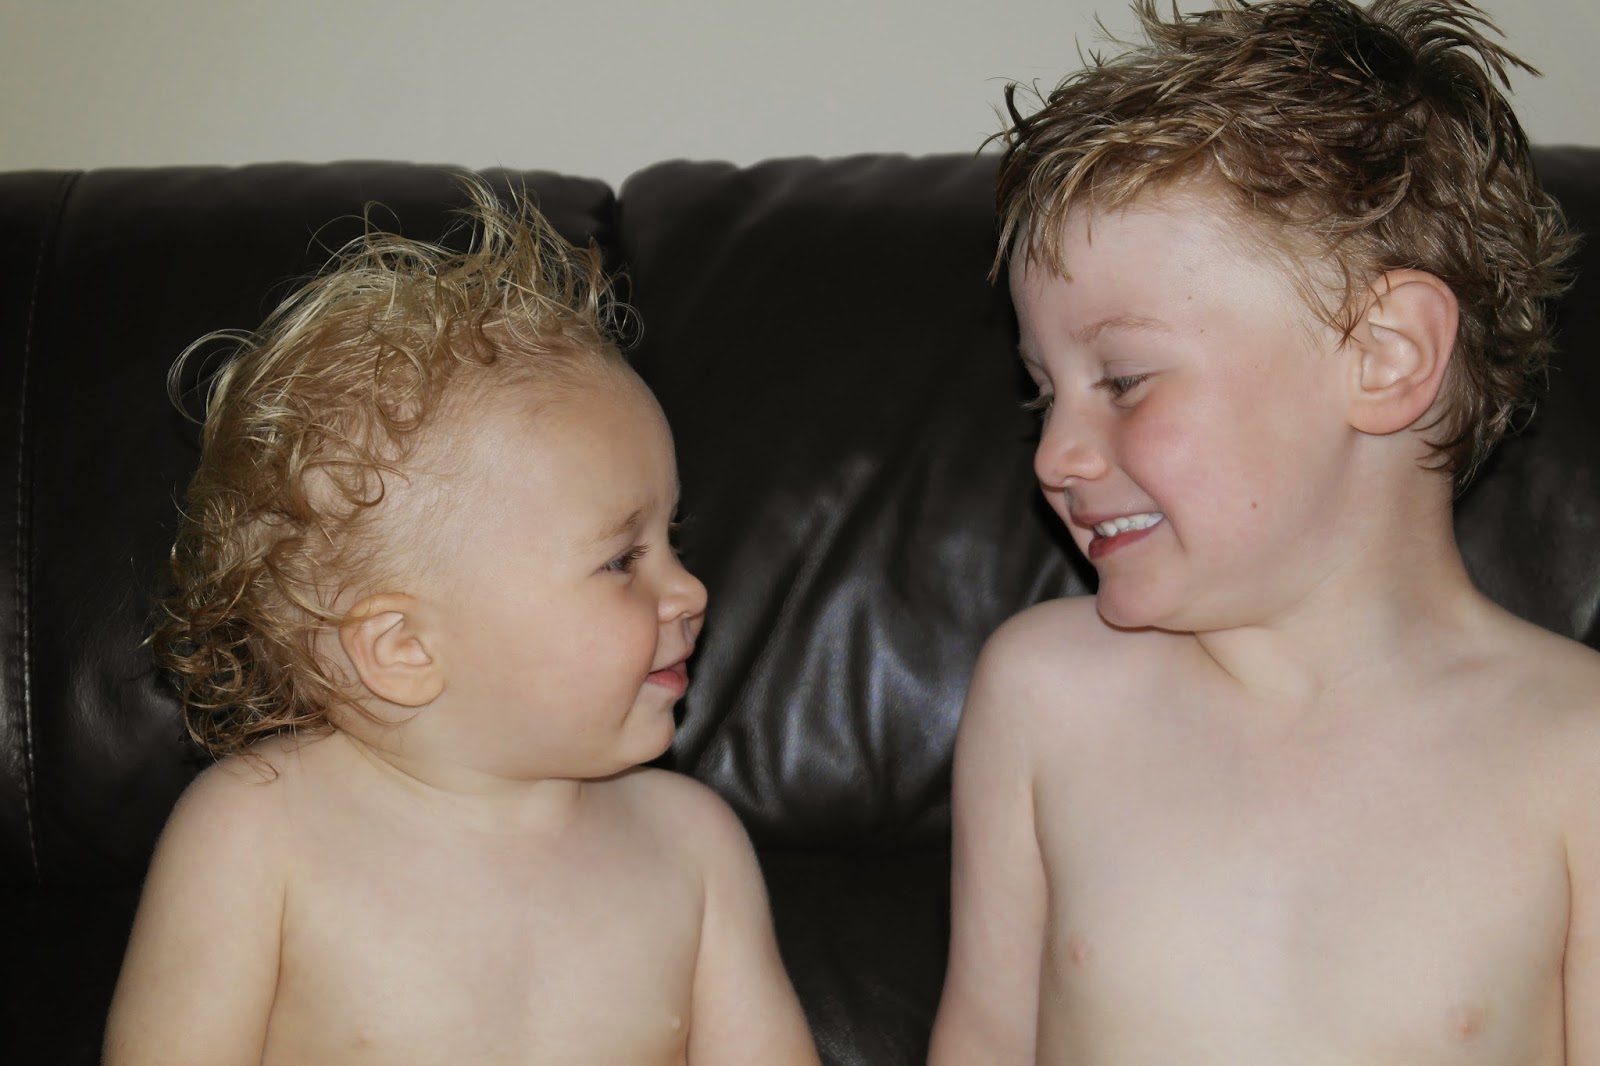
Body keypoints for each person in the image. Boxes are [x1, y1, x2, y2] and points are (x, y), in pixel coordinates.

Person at [929, 1, 1592, 1062]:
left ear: (1383, 357)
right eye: (1043, 393)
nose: (1056, 454)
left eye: (1122, 380)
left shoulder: (1574, 749)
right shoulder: (1045, 697)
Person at [103, 181, 820, 1066]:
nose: (691, 590)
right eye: (621, 560)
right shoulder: (258, 835)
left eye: (672, 539)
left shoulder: (693, 847)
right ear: (404, 648)